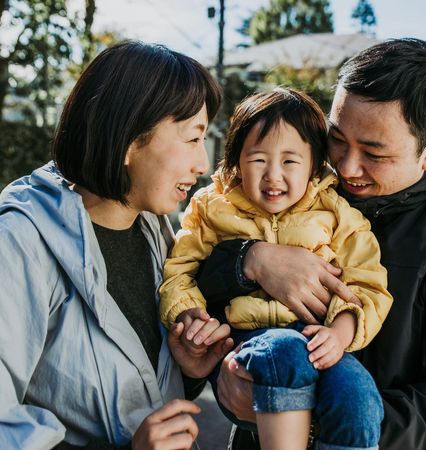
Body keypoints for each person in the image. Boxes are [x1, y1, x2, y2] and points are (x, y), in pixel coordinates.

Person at [0, 40, 234, 449]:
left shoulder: (156, 235)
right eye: (192, 139)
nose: (203, 164)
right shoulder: (6, 254)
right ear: (131, 139)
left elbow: (127, 394)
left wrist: (184, 372)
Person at [199, 38, 426, 449]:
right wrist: (249, 261)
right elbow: (199, 290)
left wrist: (304, 416)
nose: (347, 167)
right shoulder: (300, 190)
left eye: (373, 153)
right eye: (337, 139)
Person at [159, 88, 393, 450]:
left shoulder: (336, 212)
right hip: (248, 341)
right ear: (237, 161)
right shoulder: (211, 206)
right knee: (283, 350)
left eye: (289, 161)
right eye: (258, 160)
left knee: (359, 395)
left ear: (315, 164)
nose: (273, 176)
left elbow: (367, 284)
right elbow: (180, 270)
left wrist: (340, 335)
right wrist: (191, 315)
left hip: (318, 342)